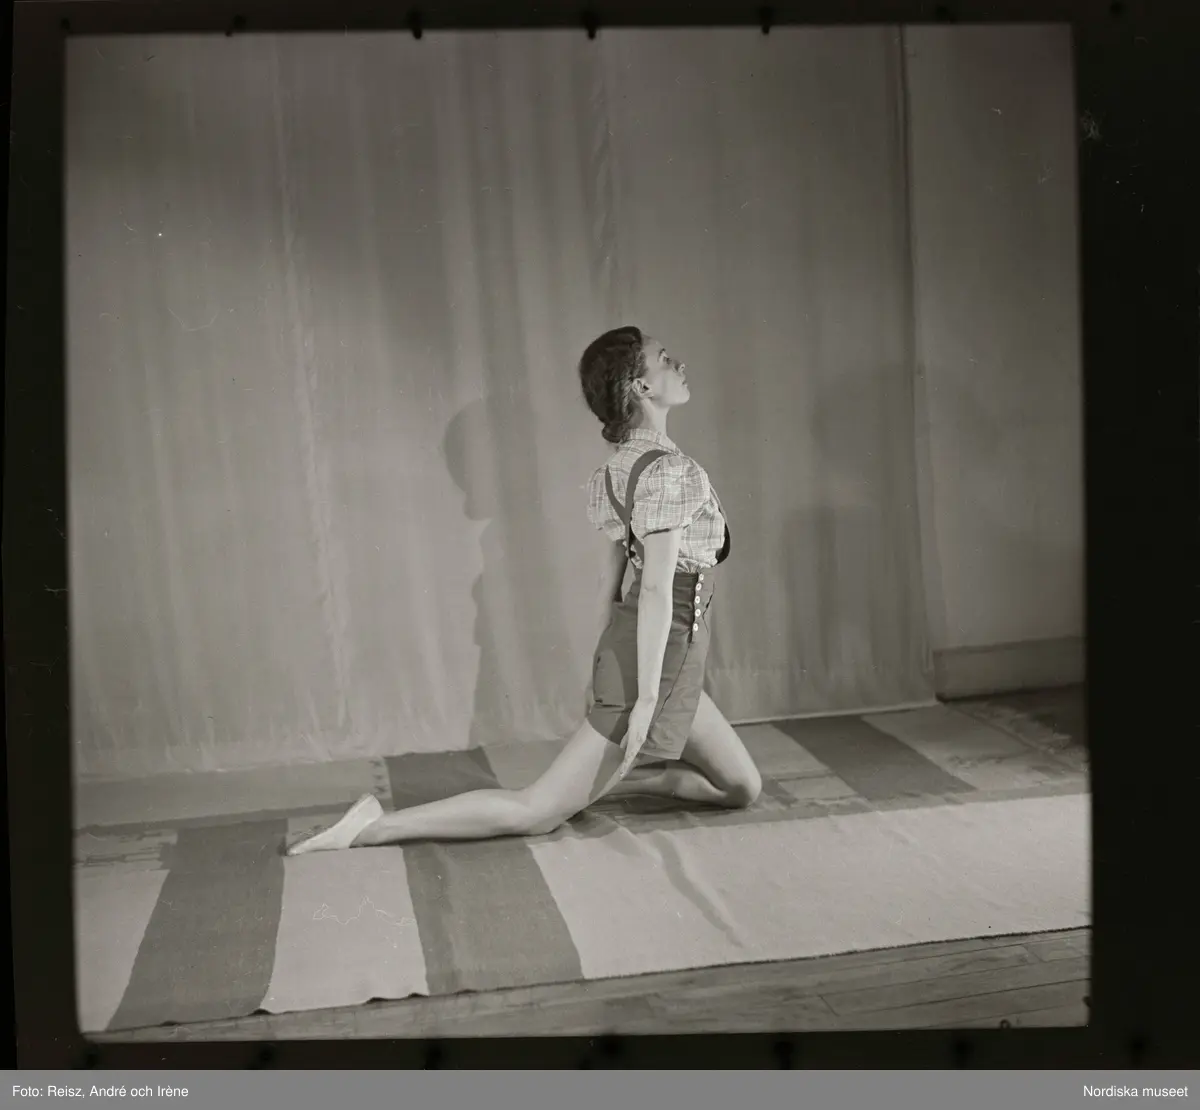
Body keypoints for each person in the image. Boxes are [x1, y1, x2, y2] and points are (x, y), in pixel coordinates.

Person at [286, 326, 761, 855]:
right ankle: (372, 826)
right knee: (535, 811)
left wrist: (601, 667)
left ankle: (607, 784)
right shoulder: (669, 472)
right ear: (642, 387)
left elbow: (610, 581)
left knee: (742, 787)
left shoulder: (623, 466)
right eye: (666, 359)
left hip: (664, 657)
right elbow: (650, 589)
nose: (679, 365)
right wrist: (644, 697)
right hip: (655, 661)